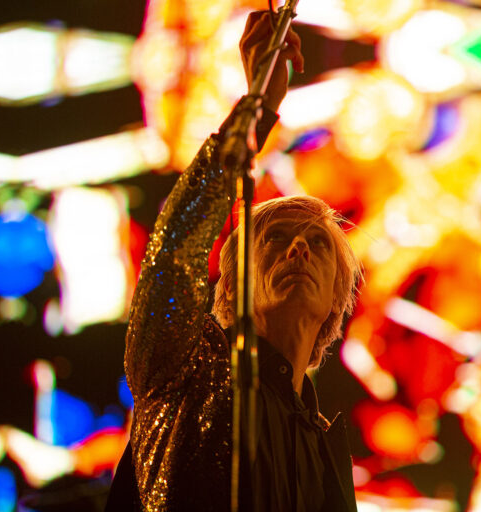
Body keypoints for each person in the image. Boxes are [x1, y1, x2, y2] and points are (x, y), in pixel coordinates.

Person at [105, 10, 362, 512]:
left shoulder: (326, 453)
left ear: (339, 295)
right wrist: (255, 113)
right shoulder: (187, 369)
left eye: (318, 243)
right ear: (230, 280)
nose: (298, 248)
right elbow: (173, 254)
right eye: (276, 238)